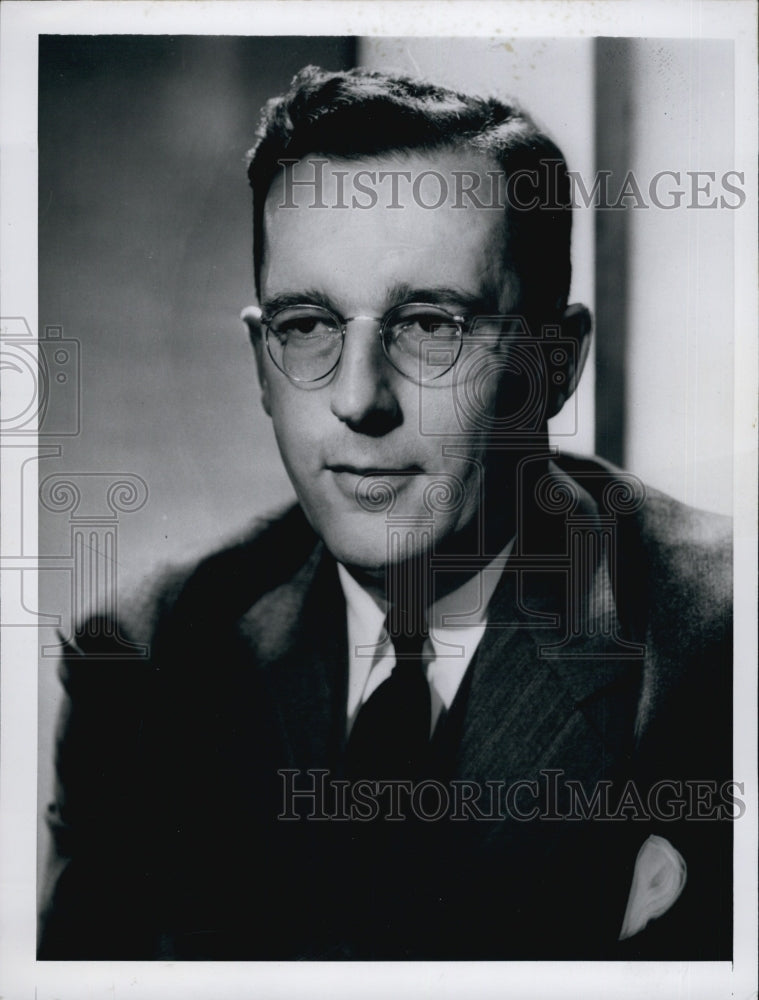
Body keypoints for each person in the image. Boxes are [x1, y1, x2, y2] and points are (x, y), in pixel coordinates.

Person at [37, 65, 732, 961]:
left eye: (430, 325)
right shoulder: (149, 658)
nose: (358, 400)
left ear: (554, 365)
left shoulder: (718, 652)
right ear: (260, 361)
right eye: (306, 326)